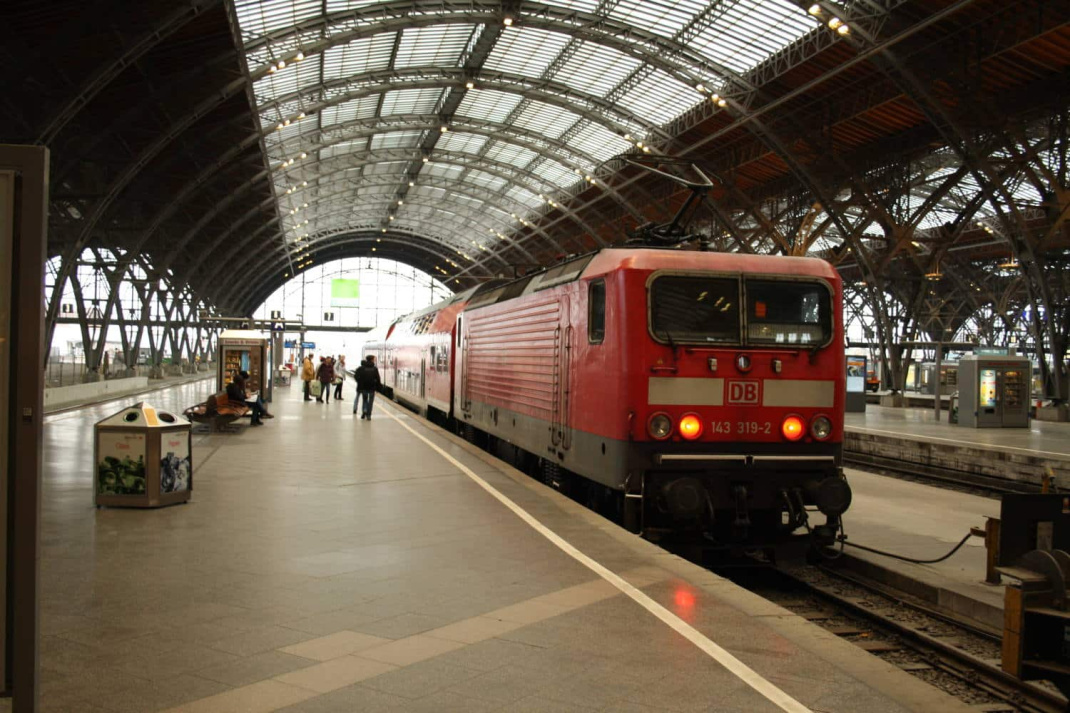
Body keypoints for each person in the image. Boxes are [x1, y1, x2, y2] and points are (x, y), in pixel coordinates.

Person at [354, 354, 381, 420]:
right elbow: (378, 378)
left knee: (365, 400)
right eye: (374, 359)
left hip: (364, 387)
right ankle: (369, 415)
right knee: (370, 402)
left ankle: (364, 411)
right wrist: (378, 388)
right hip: (372, 387)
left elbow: (356, 376)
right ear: (371, 360)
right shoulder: (374, 369)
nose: (374, 361)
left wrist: (359, 382)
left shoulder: (361, 368)